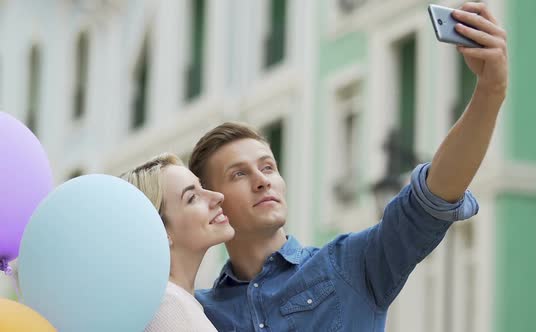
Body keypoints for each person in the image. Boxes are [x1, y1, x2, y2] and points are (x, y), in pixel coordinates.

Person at [189, 2, 507, 330]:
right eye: (239, 174)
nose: (261, 180)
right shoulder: (194, 314)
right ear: (214, 202)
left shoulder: (350, 265)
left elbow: (431, 200)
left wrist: (490, 91)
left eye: (268, 167)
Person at [120, 153, 235, 331]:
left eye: (202, 186)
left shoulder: (174, 301)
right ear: (160, 232)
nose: (218, 196)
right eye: (192, 197)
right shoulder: (167, 304)